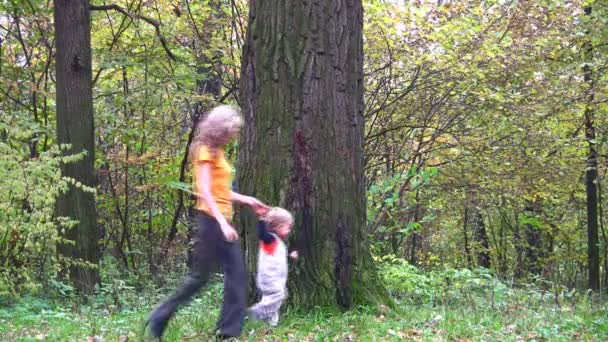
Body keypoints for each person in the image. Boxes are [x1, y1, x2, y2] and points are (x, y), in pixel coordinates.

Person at [146, 105, 266, 340]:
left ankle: (226, 331)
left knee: (230, 276)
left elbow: (221, 191)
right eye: (231, 132)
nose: (233, 136)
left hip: (220, 221)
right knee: (203, 278)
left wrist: (248, 200)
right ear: (220, 130)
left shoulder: (219, 152)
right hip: (211, 222)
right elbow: (204, 192)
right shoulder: (203, 151)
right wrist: (222, 222)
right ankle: (160, 317)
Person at [248, 207, 298, 327]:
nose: (289, 230)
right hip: (269, 278)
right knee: (279, 295)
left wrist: (290, 256)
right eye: (288, 227)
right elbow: (262, 234)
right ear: (278, 226)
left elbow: (277, 257)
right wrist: (262, 219)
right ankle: (257, 311)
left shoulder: (277, 243)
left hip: (275, 278)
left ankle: (271, 324)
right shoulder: (270, 239)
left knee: (275, 299)